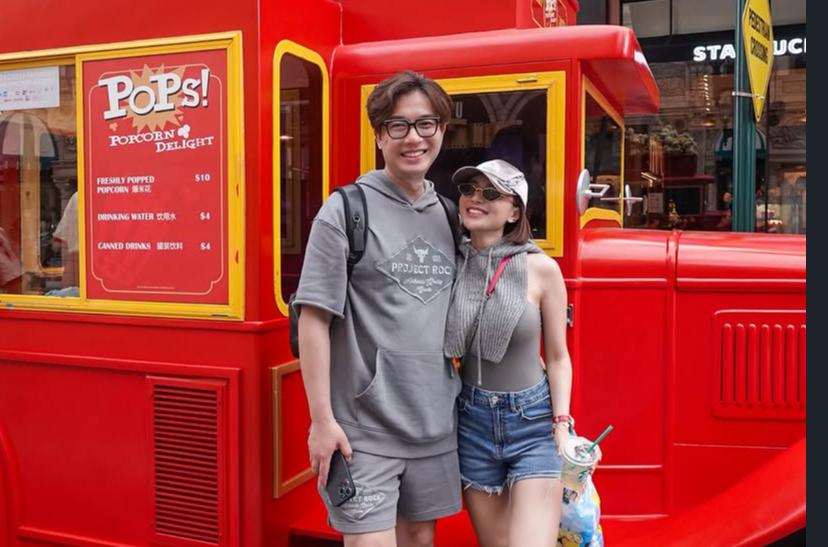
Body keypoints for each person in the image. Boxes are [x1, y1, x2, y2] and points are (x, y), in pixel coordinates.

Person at [293, 71, 462, 547]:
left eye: (425, 124)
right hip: (362, 431)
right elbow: (313, 320)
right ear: (378, 135)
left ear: (441, 130)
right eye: (397, 125)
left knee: (420, 540)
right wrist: (321, 421)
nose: (413, 138)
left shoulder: (450, 215)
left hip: (435, 427)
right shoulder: (345, 210)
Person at [444, 159, 587, 547]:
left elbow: (558, 356)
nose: (476, 198)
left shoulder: (541, 268)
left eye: (491, 193)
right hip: (470, 419)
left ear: (514, 212)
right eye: (469, 190)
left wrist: (561, 424)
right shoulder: (451, 262)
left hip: (532, 422)